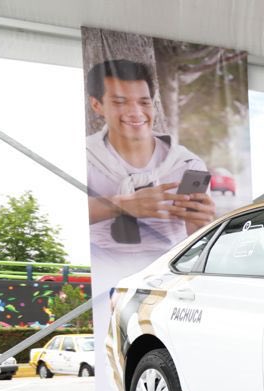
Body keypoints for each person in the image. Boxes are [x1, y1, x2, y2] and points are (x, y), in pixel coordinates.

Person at [85, 59, 215, 263]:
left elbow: (196, 241)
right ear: (97, 105)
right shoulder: (86, 156)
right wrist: (122, 205)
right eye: (120, 102)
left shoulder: (187, 164)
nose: (136, 112)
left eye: (144, 102)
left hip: (168, 267)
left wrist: (202, 224)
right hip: (101, 262)